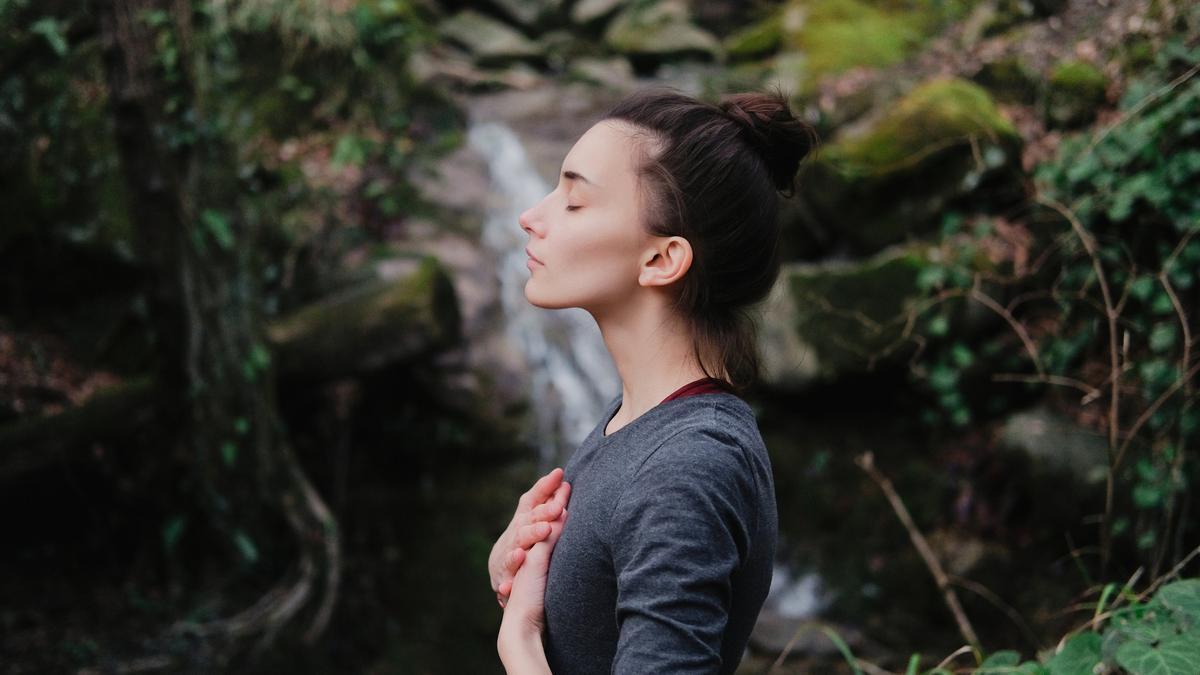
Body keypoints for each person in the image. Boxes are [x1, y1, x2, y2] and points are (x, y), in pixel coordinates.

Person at [487, 87, 818, 674]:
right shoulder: (638, 419)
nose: (530, 216)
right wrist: (518, 581)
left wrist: (519, 645)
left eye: (574, 201)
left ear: (662, 259)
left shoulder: (689, 465)